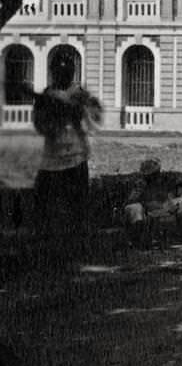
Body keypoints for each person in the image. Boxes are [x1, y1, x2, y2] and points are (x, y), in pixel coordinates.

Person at [31, 50, 102, 248]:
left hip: (76, 157)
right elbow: (39, 124)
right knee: (43, 203)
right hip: (51, 158)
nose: (62, 75)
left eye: (66, 72)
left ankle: (76, 244)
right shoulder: (46, 95)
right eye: (58, 72)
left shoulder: (79, 94)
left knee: (77, 204)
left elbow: (91, 117)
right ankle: (44, 243)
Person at [123, 158, 182, 242]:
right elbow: (132, 200)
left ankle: (181, 233)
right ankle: (139, 240)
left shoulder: (160, 182)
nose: (157, 175)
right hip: (144, 209)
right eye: (154, 173)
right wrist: (147, 203)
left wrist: (169, 203)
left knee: (180, 202)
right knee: (136, 209)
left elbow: (166, 196)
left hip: (158, 207)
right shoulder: (140, 184)